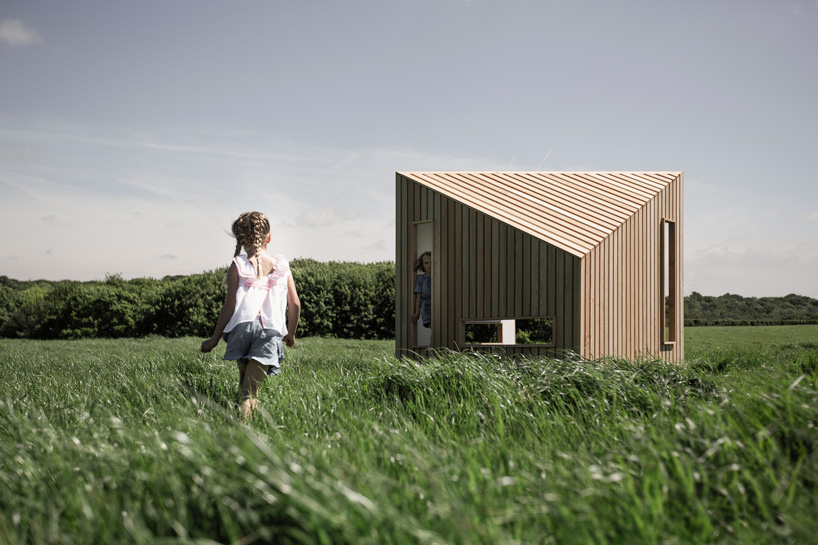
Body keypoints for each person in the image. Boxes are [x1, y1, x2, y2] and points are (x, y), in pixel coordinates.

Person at [201, 211, 301, 419]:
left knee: (244, 381)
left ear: (240, 239)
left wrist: (214, 338)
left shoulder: (237, 265)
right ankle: (245, 434)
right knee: (250, 390)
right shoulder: (282, 266)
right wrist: (291, 334)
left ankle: (241, 416)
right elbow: (295, 304)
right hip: (269, 330)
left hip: (241, 327)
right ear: (269, 237)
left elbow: (229, 305)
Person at [410, 251, 431, 329]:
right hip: (426, 307)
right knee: (434, 330)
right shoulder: (420, 278)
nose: (429, 265)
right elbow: (418, 297)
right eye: (426, 263)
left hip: (438, 307)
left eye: (432, 262)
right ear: (422, 264)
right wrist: (417, 313)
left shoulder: (438, 277)